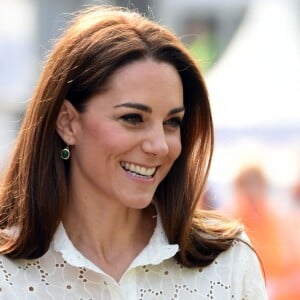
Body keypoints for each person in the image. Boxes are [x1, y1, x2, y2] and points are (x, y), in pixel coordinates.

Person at [0, 5, 267, 299]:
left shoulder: (228, 264)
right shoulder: (7, 275)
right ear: (67, 122)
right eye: (133, 118)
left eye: (171, 122)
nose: (159, 146)